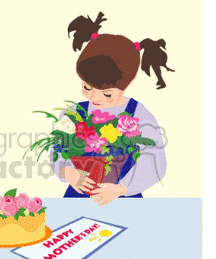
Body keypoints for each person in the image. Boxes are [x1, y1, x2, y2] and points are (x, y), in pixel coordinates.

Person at [50, 12, 168, 206]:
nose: (94, 98)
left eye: (107, 94)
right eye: (87, 87)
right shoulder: (73, 114)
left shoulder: (138, 113)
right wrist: (67, 172)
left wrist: (123, 188)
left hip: (122, 199)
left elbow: (155, 160)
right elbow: (56, 150)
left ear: (130, 82)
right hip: (78, 196)